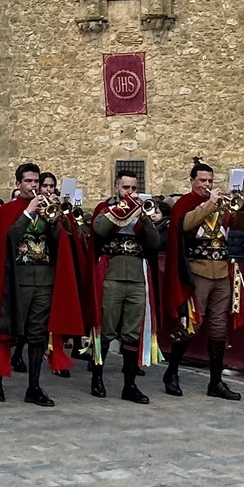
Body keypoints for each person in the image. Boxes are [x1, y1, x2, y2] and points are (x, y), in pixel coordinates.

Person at [0, 161, 84, 406]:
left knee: (38, 335)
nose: (34, 186)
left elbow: (61, 242)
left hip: (44, 282)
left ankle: (34, 386)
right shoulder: (9, 210)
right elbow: (8, 239)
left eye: (36, 182)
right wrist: (28, 213)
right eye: (28, 181)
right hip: (17, 283)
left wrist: (54, 219)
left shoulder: (48, 210)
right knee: (7, 333)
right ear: (18, 184)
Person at [161, 158, 244, 401]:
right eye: (202, 180)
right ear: (192, 181)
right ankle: (172, 372)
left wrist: (240, 204)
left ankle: (216, 381)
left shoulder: (222, 205)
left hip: (222, 272)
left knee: (218, 326)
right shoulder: (186, 203)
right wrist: (209, 204)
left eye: (210, 180)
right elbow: (185, 225)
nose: (207, 184)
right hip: (198, 271)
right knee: (191, 324)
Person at [90, 172, 161, 402]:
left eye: (133, 188)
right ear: (116, 187)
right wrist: (122, 209)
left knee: (132, 332)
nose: (130, 192)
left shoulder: (142, 211)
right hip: (112, 274)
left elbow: (153, 242)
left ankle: (129, 385)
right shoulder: (106, 208)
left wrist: (145, 218)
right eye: (125, 188)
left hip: (137, 277)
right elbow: (99, 229)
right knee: (106, 329)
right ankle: (97, 378)